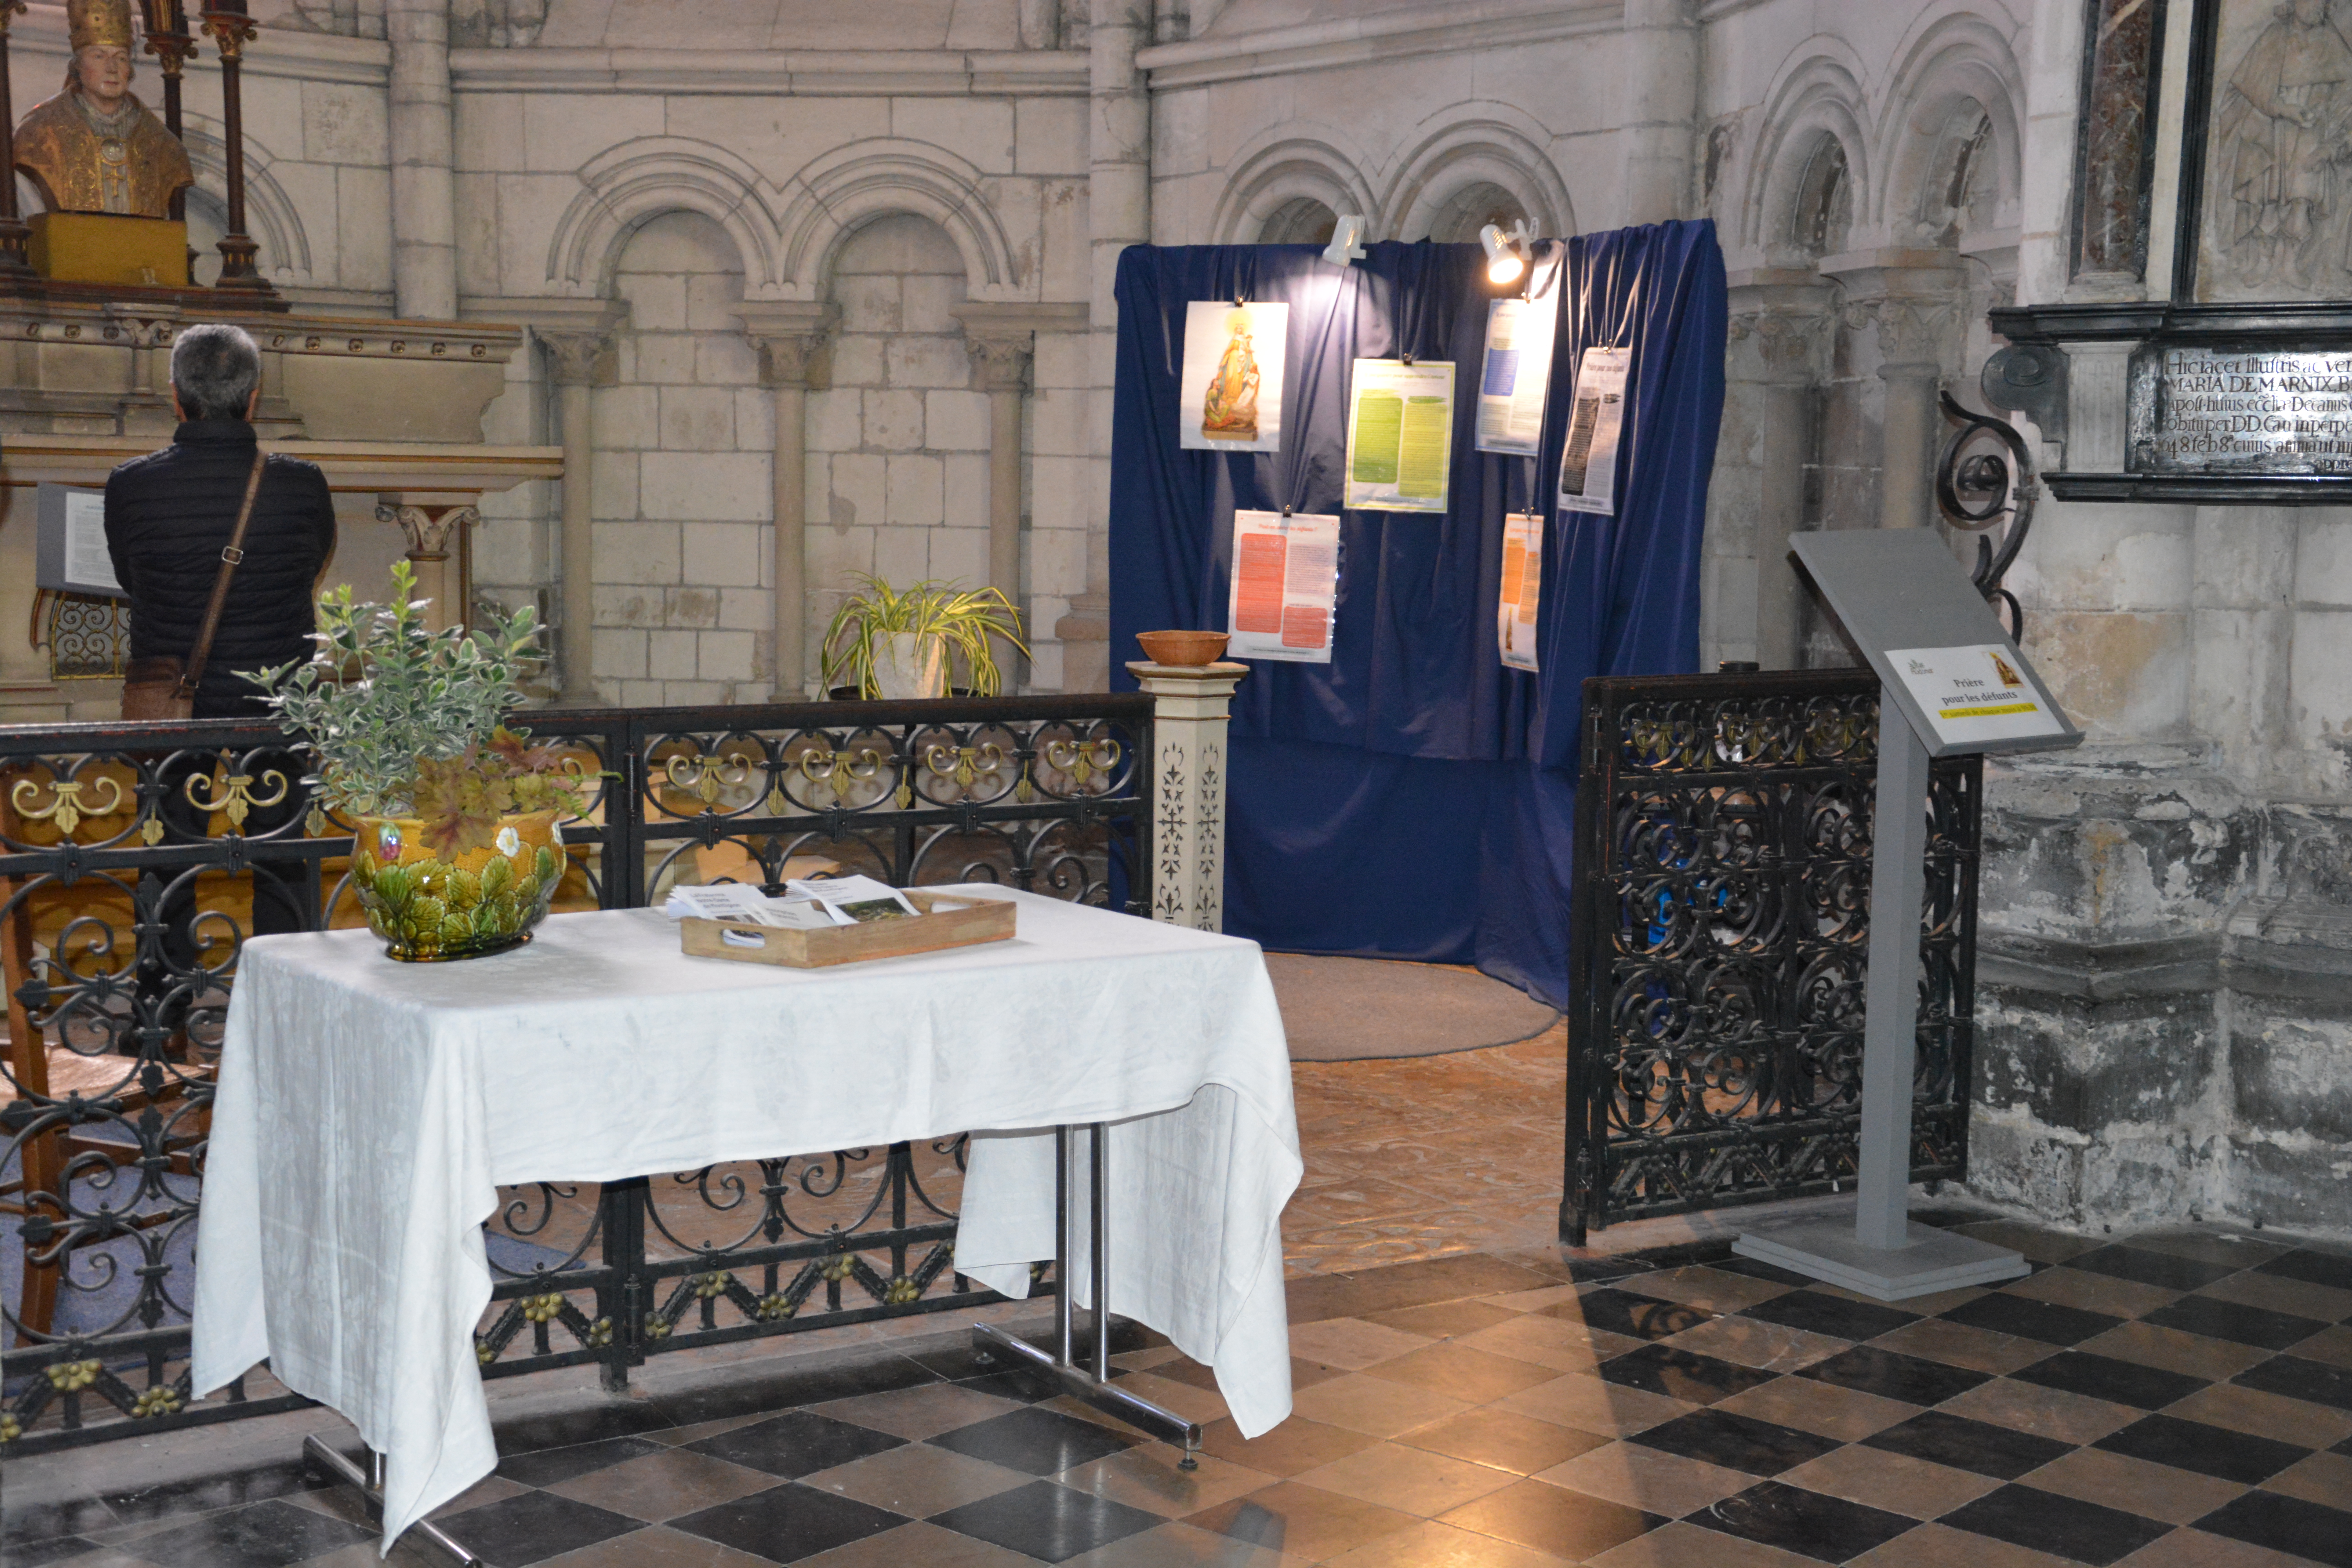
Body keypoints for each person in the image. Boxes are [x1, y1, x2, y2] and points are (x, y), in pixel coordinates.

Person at [105, 323, 335, 965]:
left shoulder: (131, 484)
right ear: (253, 398)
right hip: (277, 689)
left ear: (175, 397)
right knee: (283, 847)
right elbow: (312, 560)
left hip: (173, 689)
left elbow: (131, 577)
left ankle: (166, 1008)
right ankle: (291, 991)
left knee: (167, 844)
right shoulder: (301, 483)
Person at [14, 0, 193, 218]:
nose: (112, 68)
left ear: (130, 69)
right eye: (99, 56)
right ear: (78, 67)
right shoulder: (39, 132)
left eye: (121, 58)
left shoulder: (165, 145)